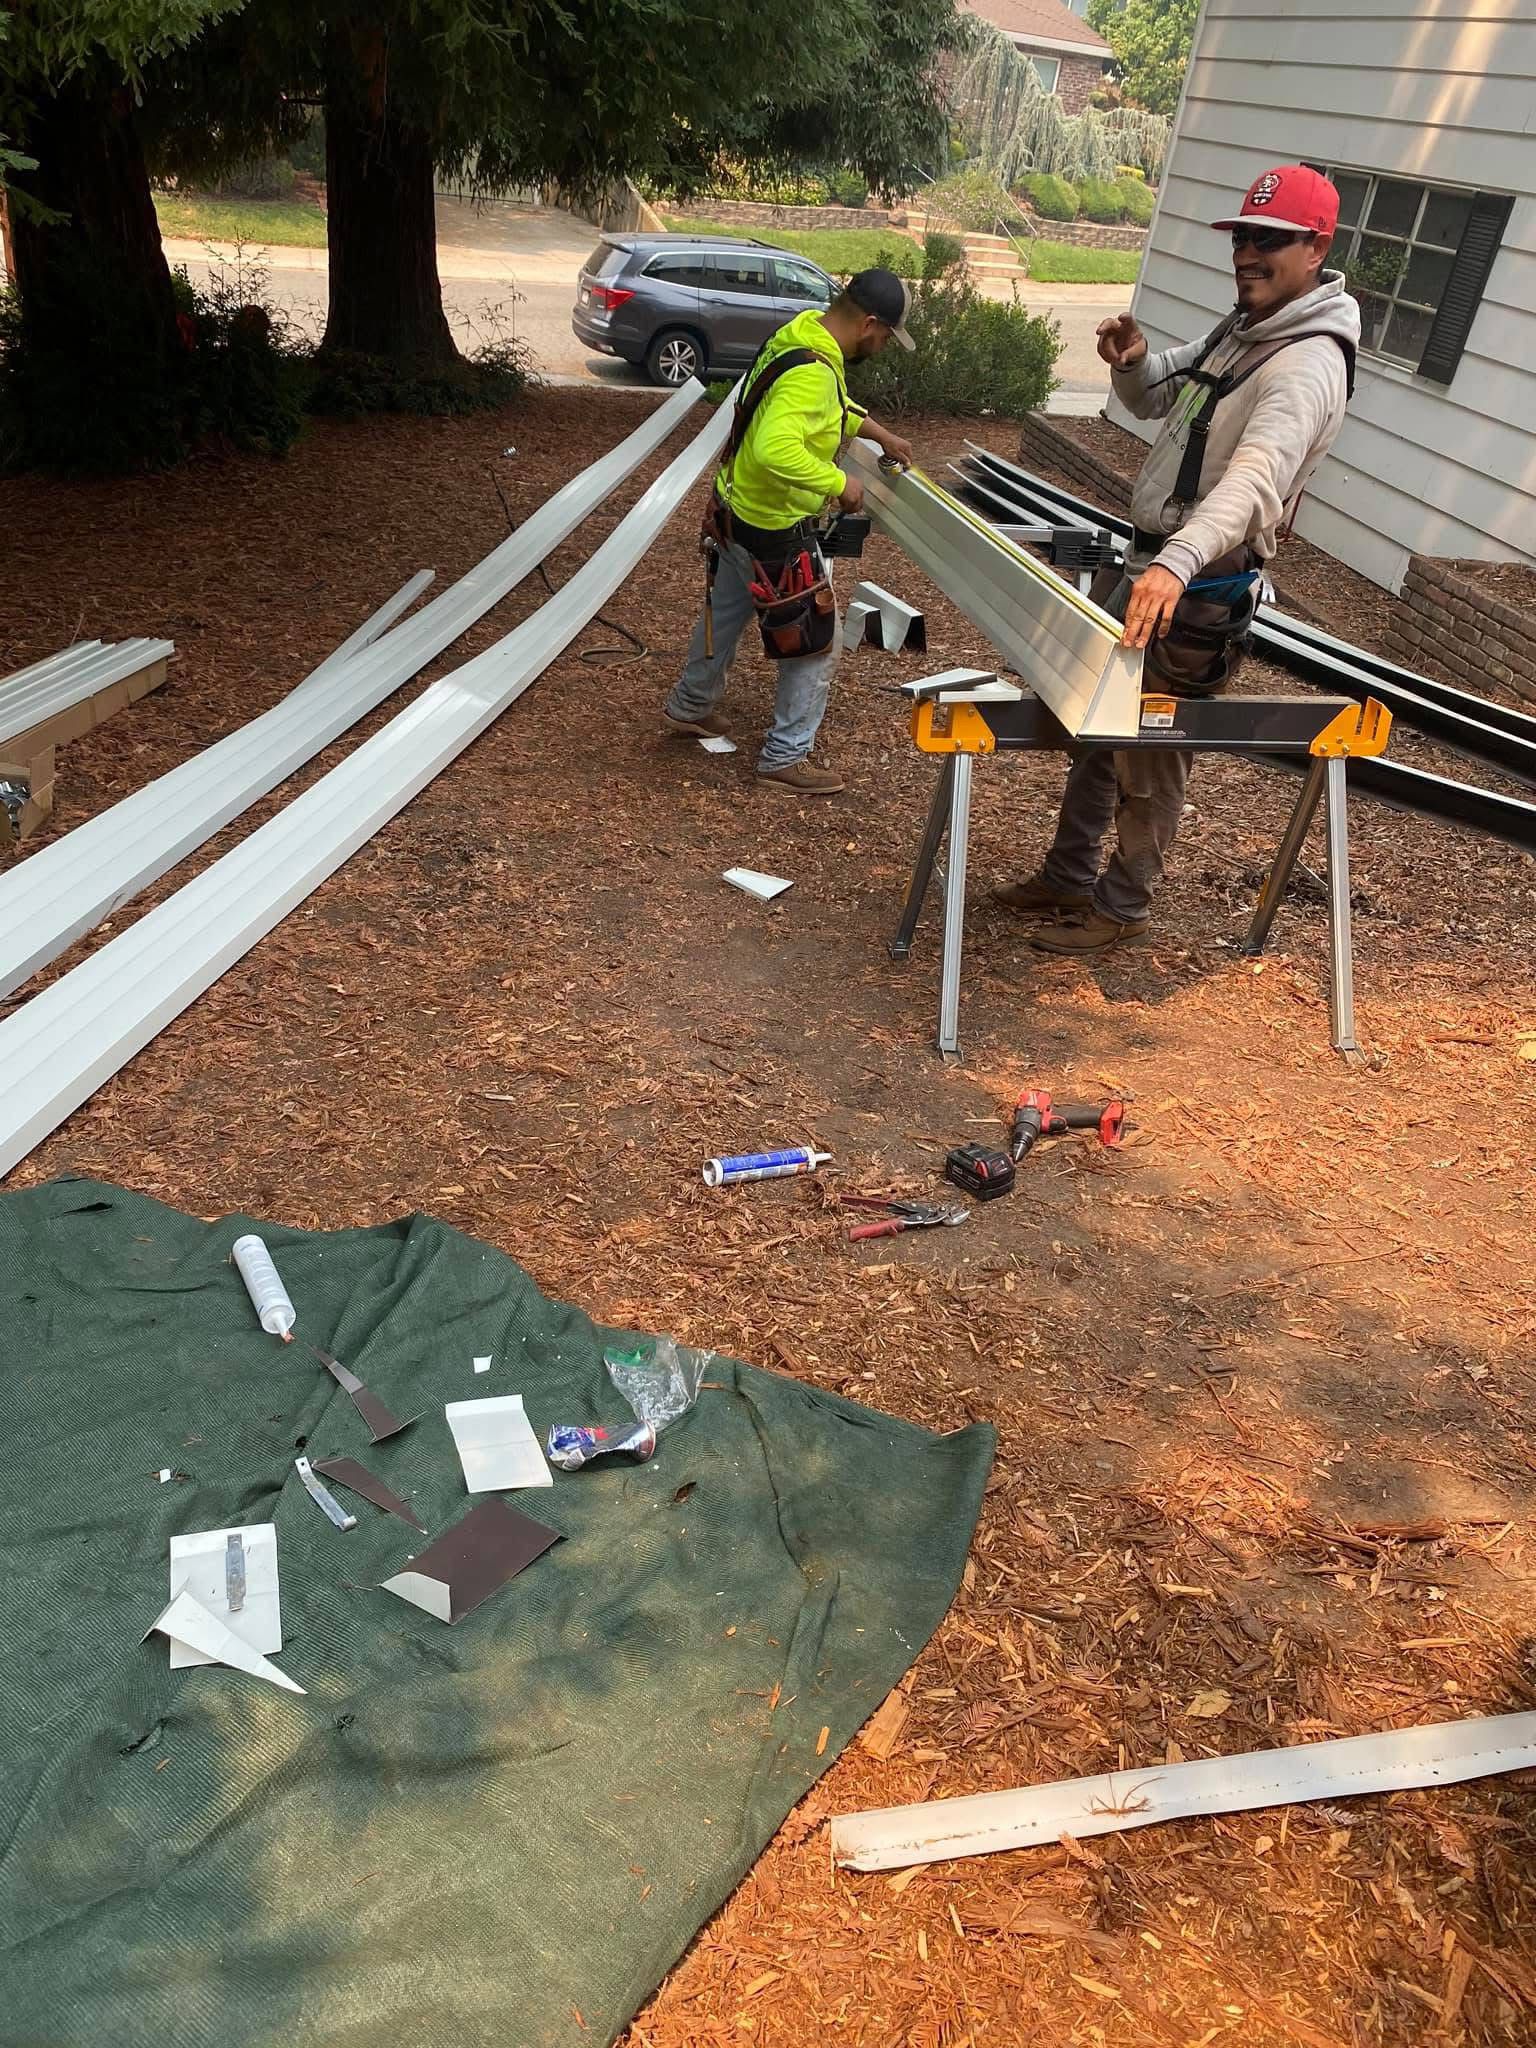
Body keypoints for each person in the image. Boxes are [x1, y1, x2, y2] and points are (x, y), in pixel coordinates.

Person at [996, 164, 1360, 954]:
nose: (1248, 254)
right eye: (1242, 237)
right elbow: (1157, 394)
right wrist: (1132, 360)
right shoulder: (1244, 329)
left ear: (1316, 249)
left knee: (1153, 752)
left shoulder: (1305, 364)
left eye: (1270, 240)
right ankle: (1068, 875)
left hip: (1198, 590)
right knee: (1100, 726)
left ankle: (1122, 908)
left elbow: (1256, 483)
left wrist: (1178, 561)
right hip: (1156, 568)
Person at [662, 268, 916, 795]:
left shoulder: (803, 334)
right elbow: (774, 448)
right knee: (815, 643)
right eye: (887, 336)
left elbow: (828, 409)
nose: (884, 346)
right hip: (774, 528)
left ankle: (690, 706)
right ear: (869, 324)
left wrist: (879, 433)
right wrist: (837, 482)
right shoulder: (815, 373)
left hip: (736, 511)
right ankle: (784, 757)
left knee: (725, 614)